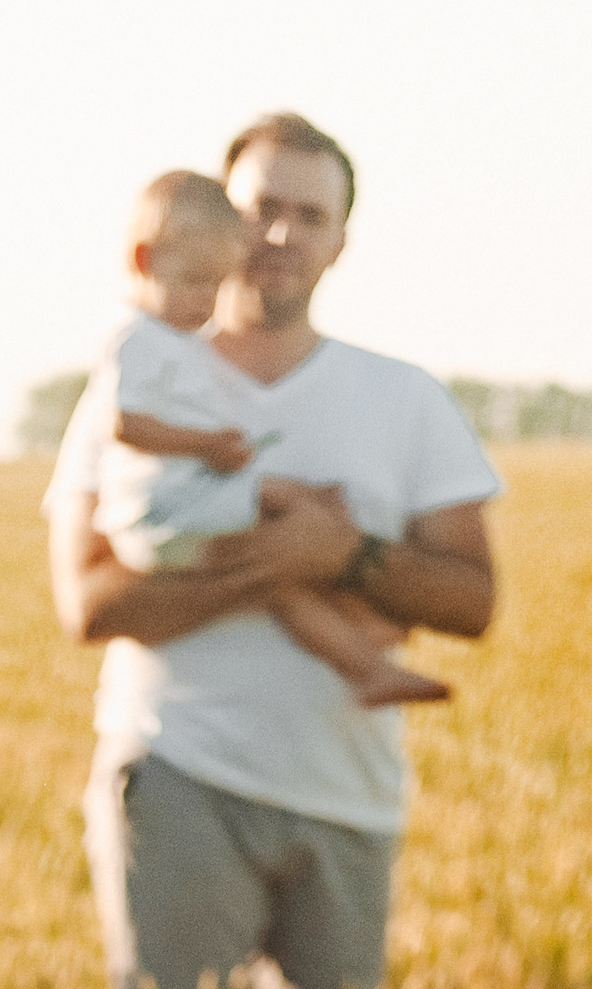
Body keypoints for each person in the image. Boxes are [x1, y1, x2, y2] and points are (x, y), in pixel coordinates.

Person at [48, 110, 502, 989]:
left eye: (311, 214)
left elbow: (472, 601)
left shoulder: (405, 401)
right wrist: (277, 569)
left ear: (341, 241)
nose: (281, 235)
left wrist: (343, 556)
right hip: (178, 776)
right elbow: (87, 603)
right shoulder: (135, 390)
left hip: (348, 796)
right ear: (221, 218)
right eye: (262, 209)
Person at [110, 169, 445, 716]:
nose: (205, 300)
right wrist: (207, 445)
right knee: (285, 551)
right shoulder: (138, 345)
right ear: (146, 262)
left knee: (289, 553)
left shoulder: (404, 393)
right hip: (165, 511)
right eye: (195, 282)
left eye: (311, 216)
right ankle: (365, 648)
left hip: (188, 501)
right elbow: (123, 426)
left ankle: (361, 643)